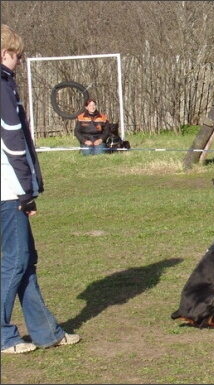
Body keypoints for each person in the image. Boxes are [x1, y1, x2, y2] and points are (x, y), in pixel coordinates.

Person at [1, 24, 80, 354]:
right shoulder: (2, 86)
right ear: (4, 53)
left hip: (9, 188)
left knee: (26, 260)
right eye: (18, 55)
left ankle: (47, 332)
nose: (20, 61)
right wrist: (26, 190)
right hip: (7, 190)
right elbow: (13, 140)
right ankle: (3, 335)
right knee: (16, 262)